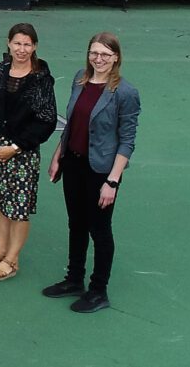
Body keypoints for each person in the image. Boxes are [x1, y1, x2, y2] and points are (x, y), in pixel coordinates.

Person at [43, 32, 141, 314]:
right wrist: (57, 156)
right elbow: (72, 123)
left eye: (105, 55)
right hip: (73, 163)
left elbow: (127, 140)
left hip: (101, 171)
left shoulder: (125, 92)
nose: (99, 59)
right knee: (76, 223)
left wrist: (113, 180)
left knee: (99, 229)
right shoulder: (79, 80)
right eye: (94, 53)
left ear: (116, 58)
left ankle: (98, 290)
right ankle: (74, 279)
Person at [0, 23, 57, 282]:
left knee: (18, 206)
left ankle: (12, 259)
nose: (22, 49)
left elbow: (46, 120)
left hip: (21, 152)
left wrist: (15, 147)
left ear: (35, 47)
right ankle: (0, 249)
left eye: (27, 44)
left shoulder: (40, 79)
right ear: (8, 43)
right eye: (17, 43)